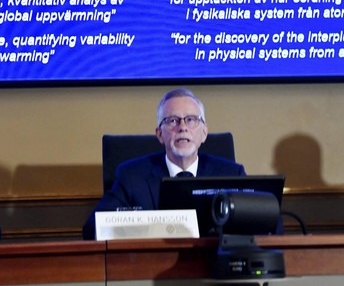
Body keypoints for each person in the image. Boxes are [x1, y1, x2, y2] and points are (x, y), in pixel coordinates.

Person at [83, 88, 246, 239]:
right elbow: (93, 228)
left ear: (204, 133)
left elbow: (261, 224)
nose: (182, 128)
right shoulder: (132, 177)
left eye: (191, 120)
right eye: (172, 121)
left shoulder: (232, 174)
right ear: (159, 134)